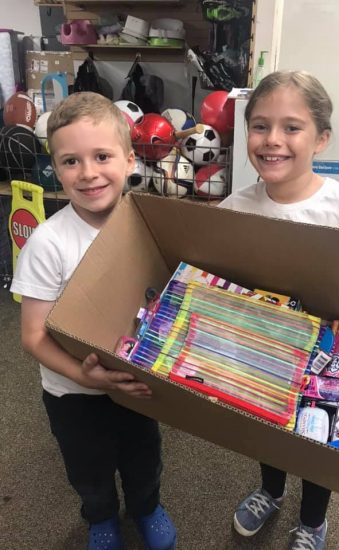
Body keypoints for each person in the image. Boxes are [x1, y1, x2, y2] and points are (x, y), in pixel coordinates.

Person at [219, 70, 339, 550]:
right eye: (260, 126)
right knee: (267, 430)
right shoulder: (235, 207)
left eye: (292, 127)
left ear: (321, 138)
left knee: (319, 441)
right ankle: (270, 489)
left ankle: (312, 521)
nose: (273, 140)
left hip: (332, 363)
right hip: (266, 351)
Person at [10, 92, 177, 550]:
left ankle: (146, 507)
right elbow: (33, 336)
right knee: (88, 467)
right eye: (70, 161)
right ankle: (99, 517)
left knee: (144, 457)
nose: (87, 173)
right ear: (55, 169)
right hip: (73, 392)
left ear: (128, 160)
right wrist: (84, 374)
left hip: (136, 381)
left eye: (101, 156)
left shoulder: (147, 224)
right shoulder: (49, 243)